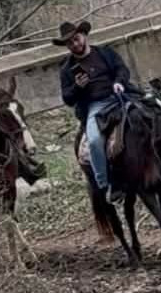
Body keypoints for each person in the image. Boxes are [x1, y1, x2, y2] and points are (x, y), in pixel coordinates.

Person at [55, 20, 133, 204]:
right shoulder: (67, 69)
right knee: (95, 141)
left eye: (77, 39)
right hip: (95, 106)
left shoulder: (105, 53)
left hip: (119, 95)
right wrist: (77, 87)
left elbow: (122, 69)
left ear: (84, 36)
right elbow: (67, 98)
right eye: (70, 43)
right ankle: (105, 183)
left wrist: (119, 82)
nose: (75, 44)